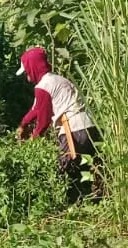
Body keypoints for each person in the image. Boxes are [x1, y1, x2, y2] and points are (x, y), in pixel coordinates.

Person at [15, 46, 99, 198]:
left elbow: (44, 119)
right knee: (84, 172)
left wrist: (33, 140)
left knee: (65, 174)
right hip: (90, 126)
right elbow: (37, 109)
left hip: (73, 131)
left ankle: (71, 205)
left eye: (27, 72)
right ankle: (90, 202)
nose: (27, 77)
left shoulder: (43, 87)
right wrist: (23, 124)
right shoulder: (57, 80)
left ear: (33, 68)